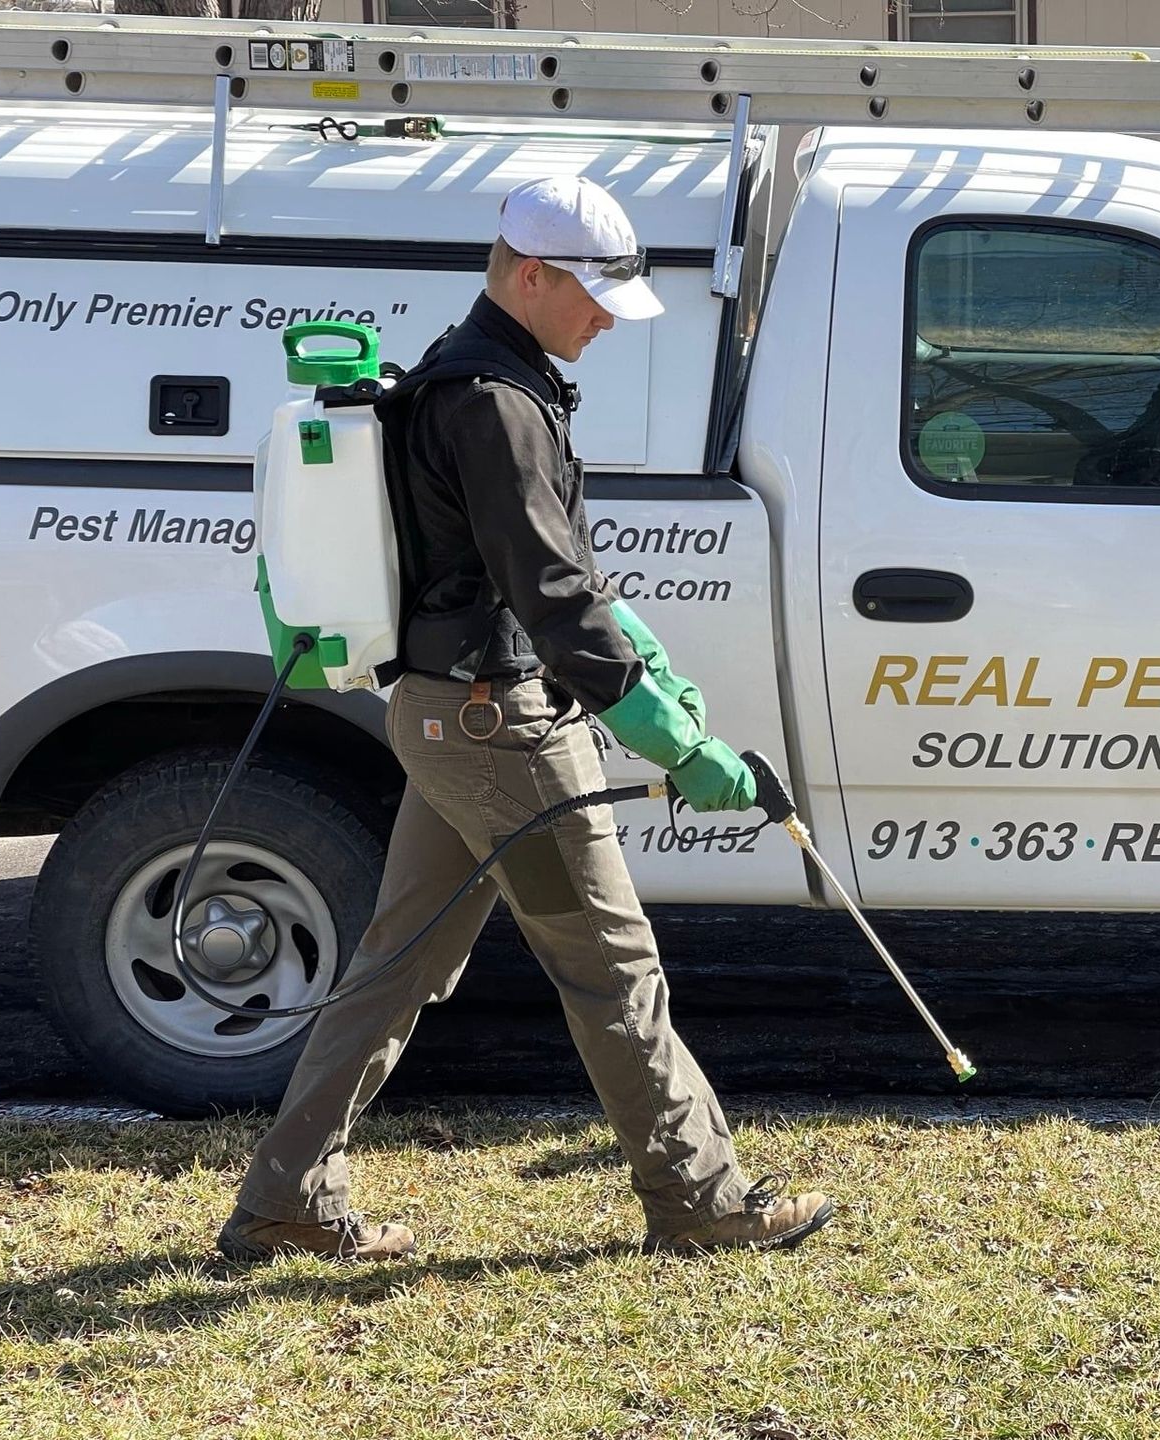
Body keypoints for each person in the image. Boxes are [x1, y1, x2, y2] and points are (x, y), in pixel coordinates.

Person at [217, 176, 833, 1262]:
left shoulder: (490, 377)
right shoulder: (494, 402)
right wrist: (675, 742)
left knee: (396, 966)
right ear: (531, 274)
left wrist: (640, 652)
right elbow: (550, 599)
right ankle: (699, 1202)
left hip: (448, 721)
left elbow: (545, 577)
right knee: (610, 964)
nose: (605, 319)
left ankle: (285, 1203)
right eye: (591, 297)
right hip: (500, 736)